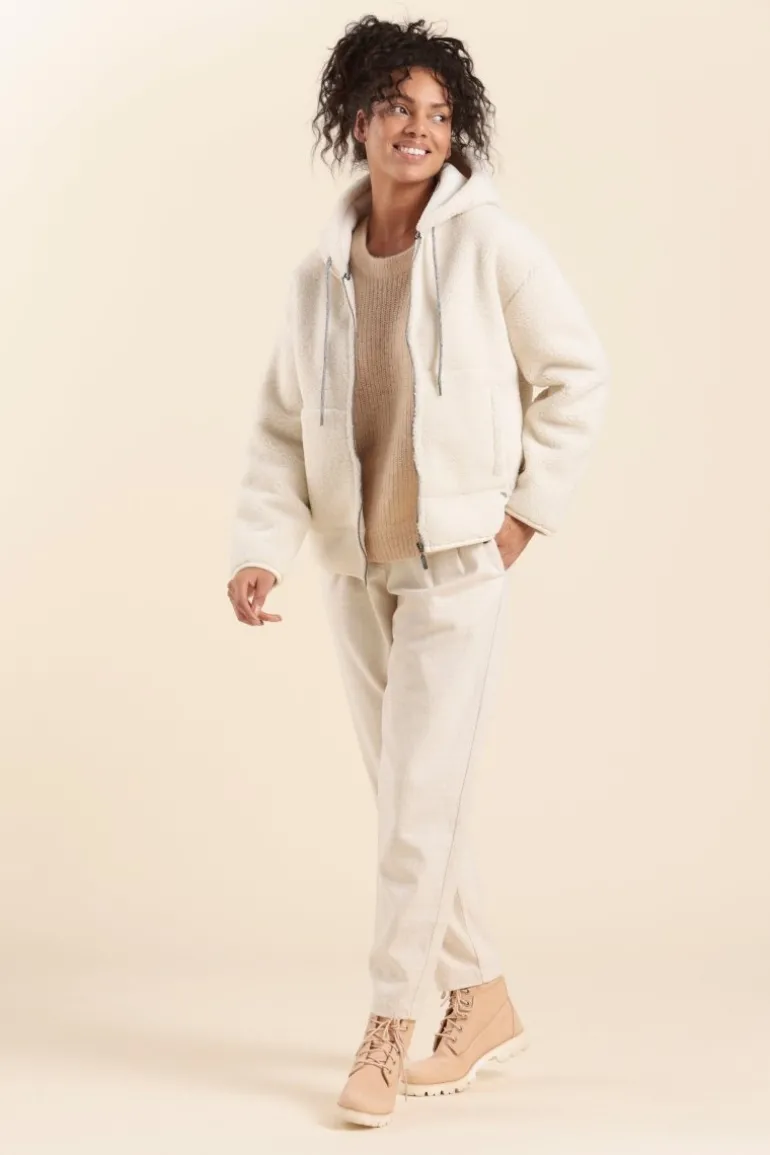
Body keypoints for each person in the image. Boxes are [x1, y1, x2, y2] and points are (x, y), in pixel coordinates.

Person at [226, 14, 610, 1129]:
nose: (419, 128)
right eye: (398, 106)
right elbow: (280, 427)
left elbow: (577, 373)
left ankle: (389, 1027)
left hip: (456, 569)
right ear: (358, 118)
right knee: (412, 803)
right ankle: (481, 996)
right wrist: (260, 549)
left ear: (456, 132)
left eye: (438, 113)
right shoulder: (318, 276)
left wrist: (522, 518)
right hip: (359, 572)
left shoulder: (492, 248)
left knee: (415, 808)